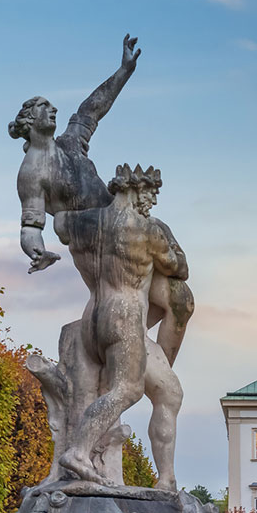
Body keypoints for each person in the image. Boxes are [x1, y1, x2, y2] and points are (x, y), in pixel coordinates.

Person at [52, 164, 186, 481]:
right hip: (126, 314)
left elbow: (59, 224)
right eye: (150, 193)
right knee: (127, 390)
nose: (152, 200)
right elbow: (179, 267)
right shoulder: (148, 229)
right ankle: (79, 452)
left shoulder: (82, 222)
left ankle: (166, 479)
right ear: (135, 190)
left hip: (92, 316)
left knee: (170, 392)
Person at [10, 34, 140, 273]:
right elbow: (31, 226)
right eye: (44, 106)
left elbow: (93, 107)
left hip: (115, 215)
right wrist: (38, 252)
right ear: (29, 120)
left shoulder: (69, 141)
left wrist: (125, 70)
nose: (54, 109)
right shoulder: (31, 172)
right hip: (87, 233)